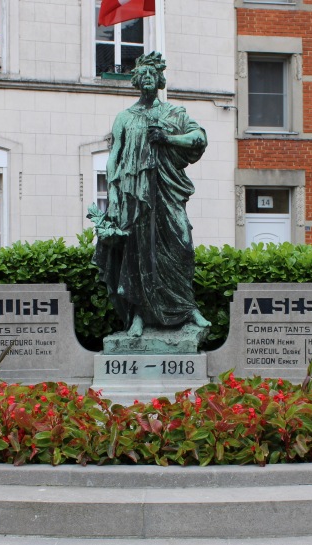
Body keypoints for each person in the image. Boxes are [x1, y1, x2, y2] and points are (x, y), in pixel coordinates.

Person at [89, 52, 211, 338]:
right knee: (139, 255)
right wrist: (112, 194)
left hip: (167, 192)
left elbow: (199, 139)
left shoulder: (174, 114)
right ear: (135, 81)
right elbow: (114, 158)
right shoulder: (124, 118)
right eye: (142, 75)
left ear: (159, 80)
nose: (147, 79)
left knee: (182, 245)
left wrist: (168, 138)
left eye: (151, 75)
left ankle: (187, 308)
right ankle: (139, 316)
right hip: (135, 195)